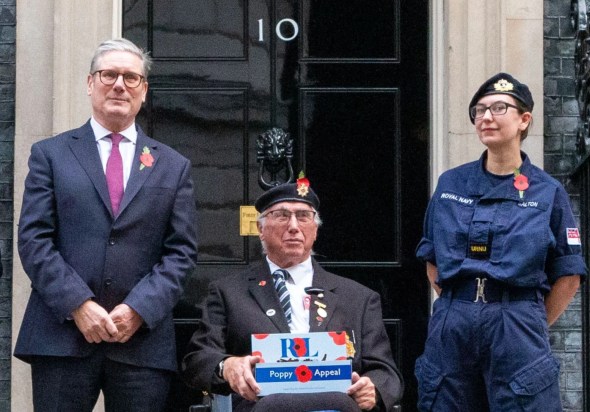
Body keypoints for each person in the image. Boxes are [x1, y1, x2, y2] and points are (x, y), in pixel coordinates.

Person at [15, 38, 197, 412]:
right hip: (62, 338)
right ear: (89, 83)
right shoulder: (51, 155)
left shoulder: (172, 165)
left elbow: (181, 252)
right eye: (109, 74)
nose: (119, 85)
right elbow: (34, 239)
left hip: (141, 345)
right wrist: (77, 304)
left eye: (131, 78)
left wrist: (139, 309)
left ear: (143, 91)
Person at [414, 73, 587, 411]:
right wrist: (462, 302)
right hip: (454, 320)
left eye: (498, 108)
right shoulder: (451, 184)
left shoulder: (547, 191)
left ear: (524, 120)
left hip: (517, 322)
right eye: (479, 110)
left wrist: (527, 317)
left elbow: (568, 274)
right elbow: (431, 255)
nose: (486, 117)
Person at [182, 177, 403, 411]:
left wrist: (374, 389)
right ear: (261, 229)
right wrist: (226, 366)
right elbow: (197, 361)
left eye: (304, 216)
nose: (294, 226)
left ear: (315, 230)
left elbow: (386, 372)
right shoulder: (228, 293)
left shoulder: (358, 298)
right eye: (282, 215)